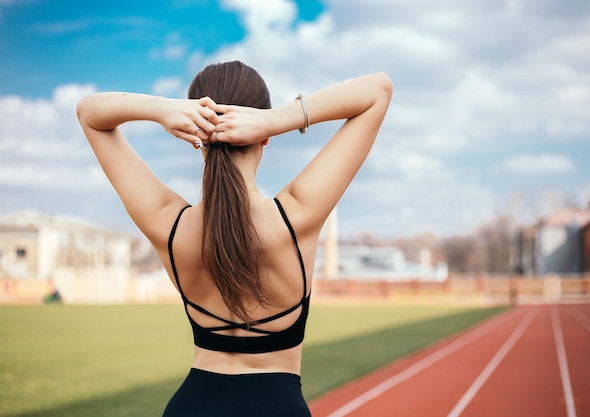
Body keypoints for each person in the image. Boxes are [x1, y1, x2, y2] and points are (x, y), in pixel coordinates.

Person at [76, 60, 392, 416]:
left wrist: (164, 109)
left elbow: (89, 112)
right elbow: (378, 90)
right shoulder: (297, 215)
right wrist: (277, 119)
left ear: (195, 139)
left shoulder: (172, 225)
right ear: (264, 136)